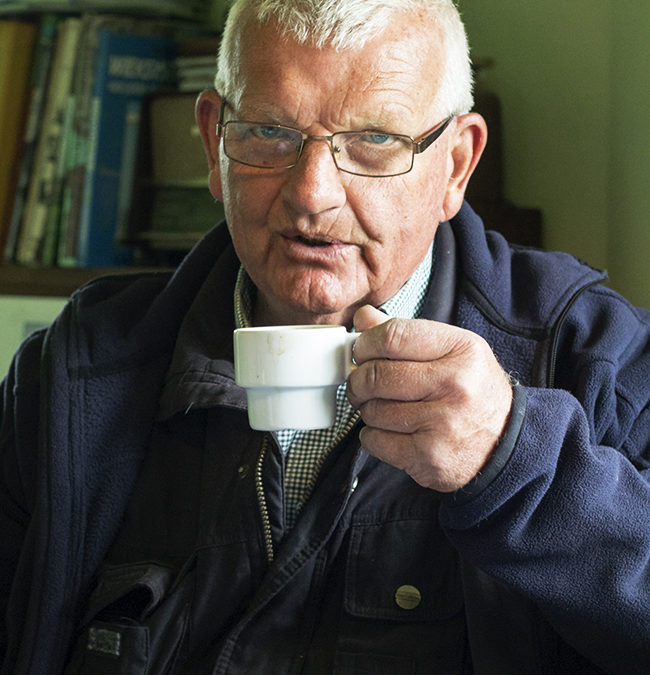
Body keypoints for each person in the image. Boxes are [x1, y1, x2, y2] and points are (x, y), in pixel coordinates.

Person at [1, 0, 649, 672]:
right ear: (213, 142)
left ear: (456, 164)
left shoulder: (595, 357)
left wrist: (517, 462)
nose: (312, 193)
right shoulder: (78, 370)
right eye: (270, 133)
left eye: (373, 140)